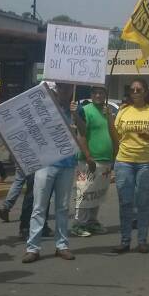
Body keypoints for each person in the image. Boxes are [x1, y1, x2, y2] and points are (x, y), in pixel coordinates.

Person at [22, 82, 78, 263]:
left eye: (68, 88)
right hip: (46, 163)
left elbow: (84, 132)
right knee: (39, 207)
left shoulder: (77, 108)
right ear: (56, 89)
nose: (64, 91)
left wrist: (75, 115)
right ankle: (33, 248)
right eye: (61, 87)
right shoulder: (46, 108)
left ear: (72, 90)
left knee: (62, 208)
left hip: (68, 164)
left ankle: (62, 246)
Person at [111, 77, 149, 254]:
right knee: (125, 202)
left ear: (146, 92)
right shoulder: (123, 111)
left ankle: (142, 240)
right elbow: (115, 135)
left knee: (144, 203)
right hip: (124, 161)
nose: (135, 92)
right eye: (132, 89)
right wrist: (107, 117)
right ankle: (125, 241)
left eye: (139, 89)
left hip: (147, 163)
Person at [72, 85, 115, 237]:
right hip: (88, 160)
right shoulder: (85, 110)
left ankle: (92, 221)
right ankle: (79, 224)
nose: (98, 95)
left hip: (105, 160)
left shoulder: (108, 111)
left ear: (105, 95)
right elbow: (81, 135)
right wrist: (88, 156)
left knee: (98, 193)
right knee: (84, 192)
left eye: (101, 93)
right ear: (91, 95)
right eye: (95, 93)